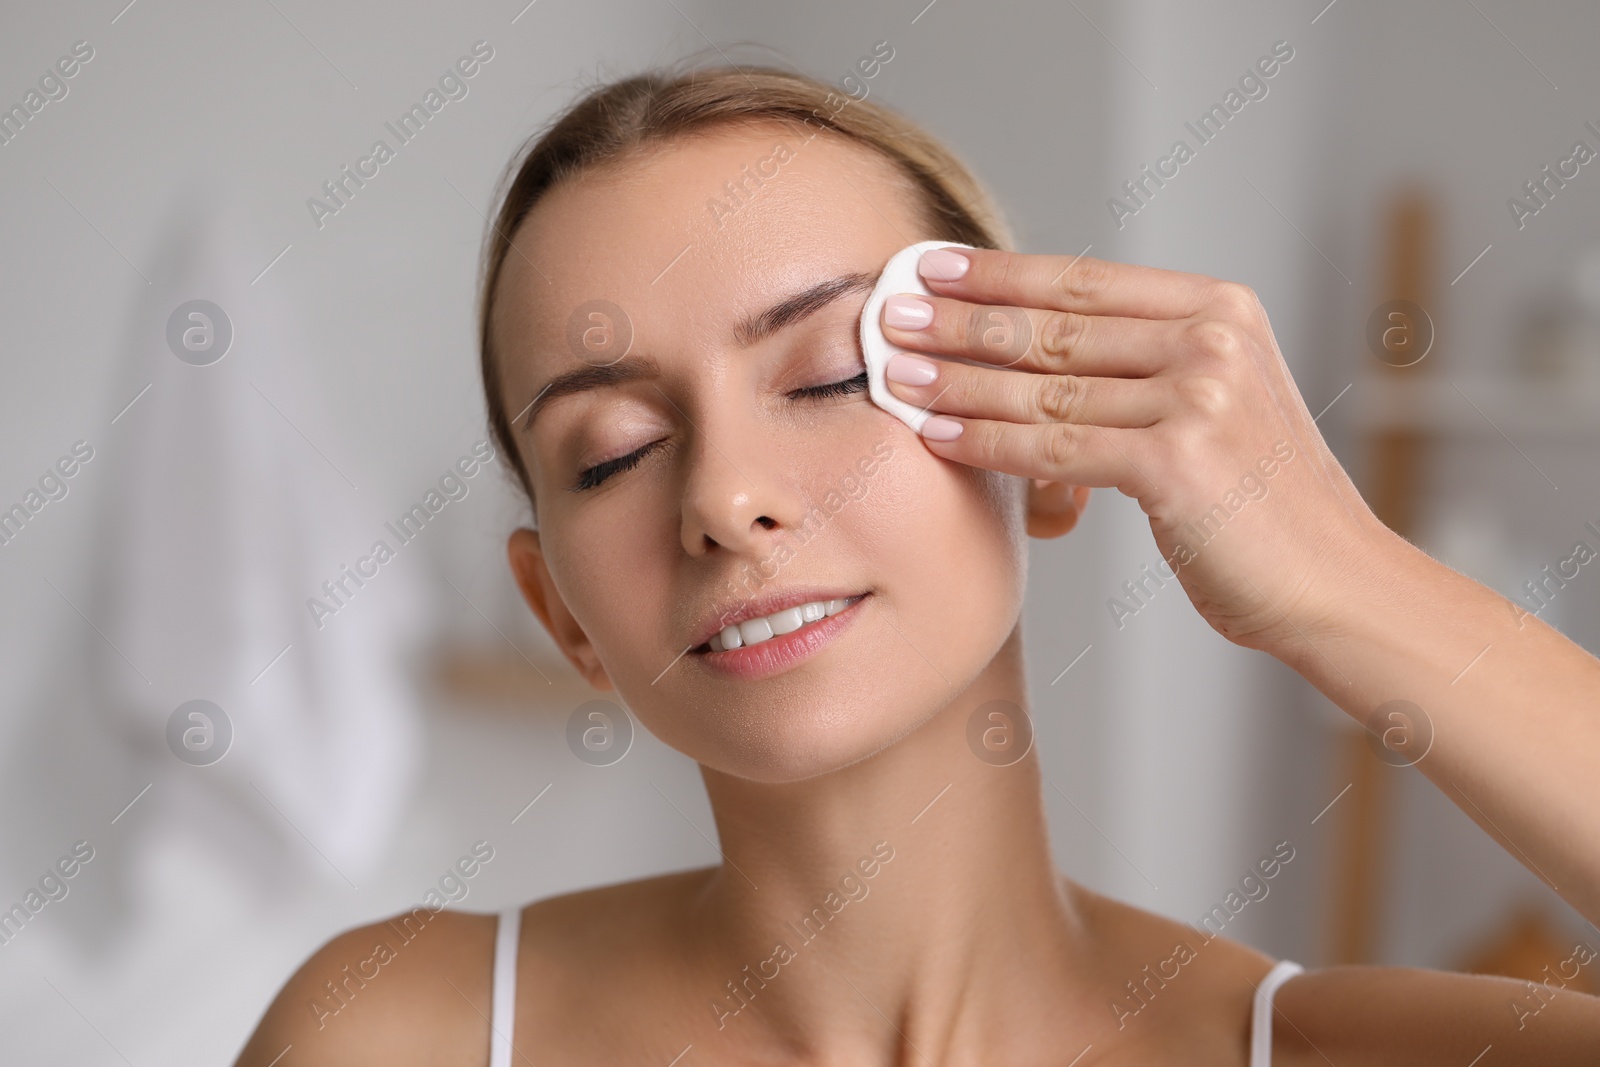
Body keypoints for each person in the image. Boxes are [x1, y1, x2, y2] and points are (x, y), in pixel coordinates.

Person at [235, 62, 1600, 1065]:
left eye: (830, 375)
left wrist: (1343, 577)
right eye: (614, 452)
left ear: (1042, 447)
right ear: (562, 614)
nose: (725, 499)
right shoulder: (390, 1032)